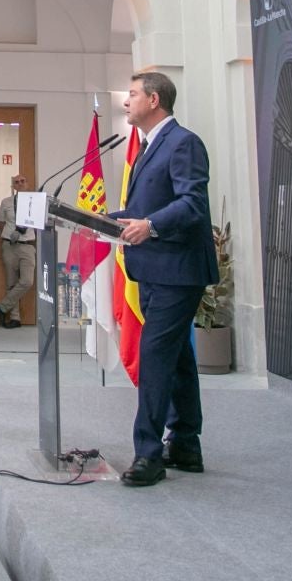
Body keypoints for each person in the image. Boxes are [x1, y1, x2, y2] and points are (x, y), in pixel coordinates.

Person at [110, 69, 218, 487]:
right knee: (178, 359)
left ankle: (148, 454)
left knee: (155, 357)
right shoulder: (148, 146)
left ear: (154, 100)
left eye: (133, 94)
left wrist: (150, 226)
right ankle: (186, 445)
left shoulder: (183, 142)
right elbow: (146, 205)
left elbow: (192, 204)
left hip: (177, 270)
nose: (127, 101)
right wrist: (104, 219)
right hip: (154, 269)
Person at [0, 174, 39, 328]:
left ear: (28, 183)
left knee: (27, 281)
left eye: (22, 181)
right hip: (9, 246)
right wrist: (7, 235)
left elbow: (38, 222)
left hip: (28, 245)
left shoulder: (35, 201)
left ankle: (2, 306)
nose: (20, 184)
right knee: (11, 283)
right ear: (13, 187)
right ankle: (15, 318)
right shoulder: (6, 202)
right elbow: (1, 223)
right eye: (16, 182)